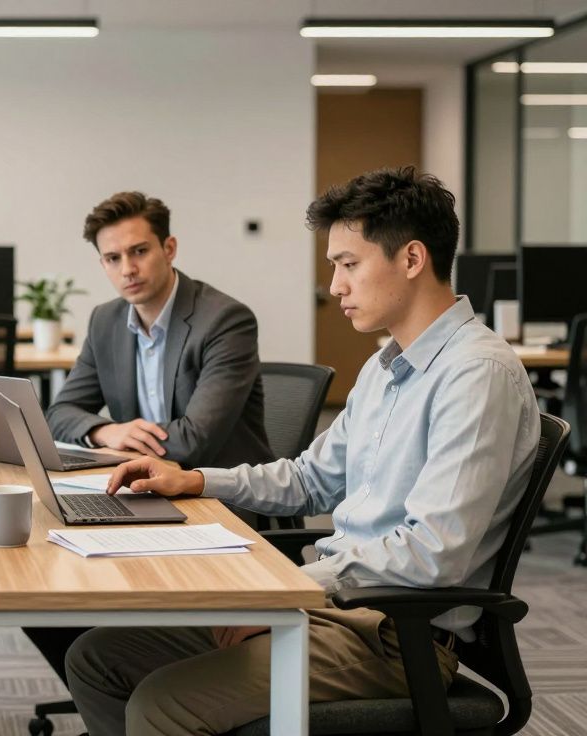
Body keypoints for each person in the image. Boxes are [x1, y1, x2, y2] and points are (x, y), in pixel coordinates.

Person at [64, 167, 540, 736]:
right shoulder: (388, 365)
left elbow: (433, 554)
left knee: (160, 705)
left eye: (348, 264)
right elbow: (310, 478)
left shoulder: (474, 374)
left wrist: (285, 590)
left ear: (411, 259)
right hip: (333, 603)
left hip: (393, 635)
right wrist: (197, 482)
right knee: (97, 659)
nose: (335, 286)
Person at [28, 191, 275, 686]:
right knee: (33, 583)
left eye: (139, 251)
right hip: (143, 493)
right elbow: (59, 412)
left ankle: (158, 689)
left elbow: (193, 443)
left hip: (218, 504)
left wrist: (116, 448)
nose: (128, 269)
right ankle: (124, 692)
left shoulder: (224, 320)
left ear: (170, 248)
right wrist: (106, 428)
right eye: (113, 258)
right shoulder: (105, 321)